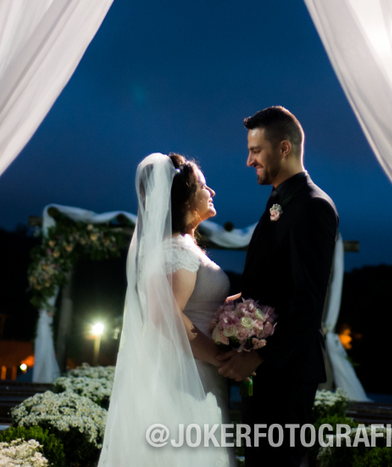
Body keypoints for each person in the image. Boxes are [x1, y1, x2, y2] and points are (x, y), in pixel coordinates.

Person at [218, 106, 339, 467]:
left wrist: (258, 356)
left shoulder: (314, 207)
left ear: (284, 148)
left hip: (287, 374)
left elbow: (307, 301)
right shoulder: (281, 199)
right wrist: (235, 306)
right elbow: (276, 282)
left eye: (256, 151)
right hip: (267, 373)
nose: (248, 161)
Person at [99, 153, 232, 467]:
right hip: (187, 377)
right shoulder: (176, 250)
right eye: (203, 186)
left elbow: (198, 303)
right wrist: (221, 358)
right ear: (185, 198)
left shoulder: (181, 246)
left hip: (196, 371)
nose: (211, 191)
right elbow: (166, 316)